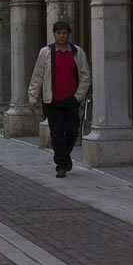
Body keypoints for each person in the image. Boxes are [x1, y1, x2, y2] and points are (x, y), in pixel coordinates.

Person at [28, 21, 90, 179]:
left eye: (64, 33)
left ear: (68, 34)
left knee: (71, 131)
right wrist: (33, 97)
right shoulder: (46, 52)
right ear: (54, 34)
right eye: (58, 33)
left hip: (71, 100)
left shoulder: (77, 52)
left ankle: (65, 156)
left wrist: (78, 96)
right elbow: (37, 76)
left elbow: (85, 76)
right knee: (56, 134)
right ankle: (61, 165)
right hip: (53, 101)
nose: (61, 36)